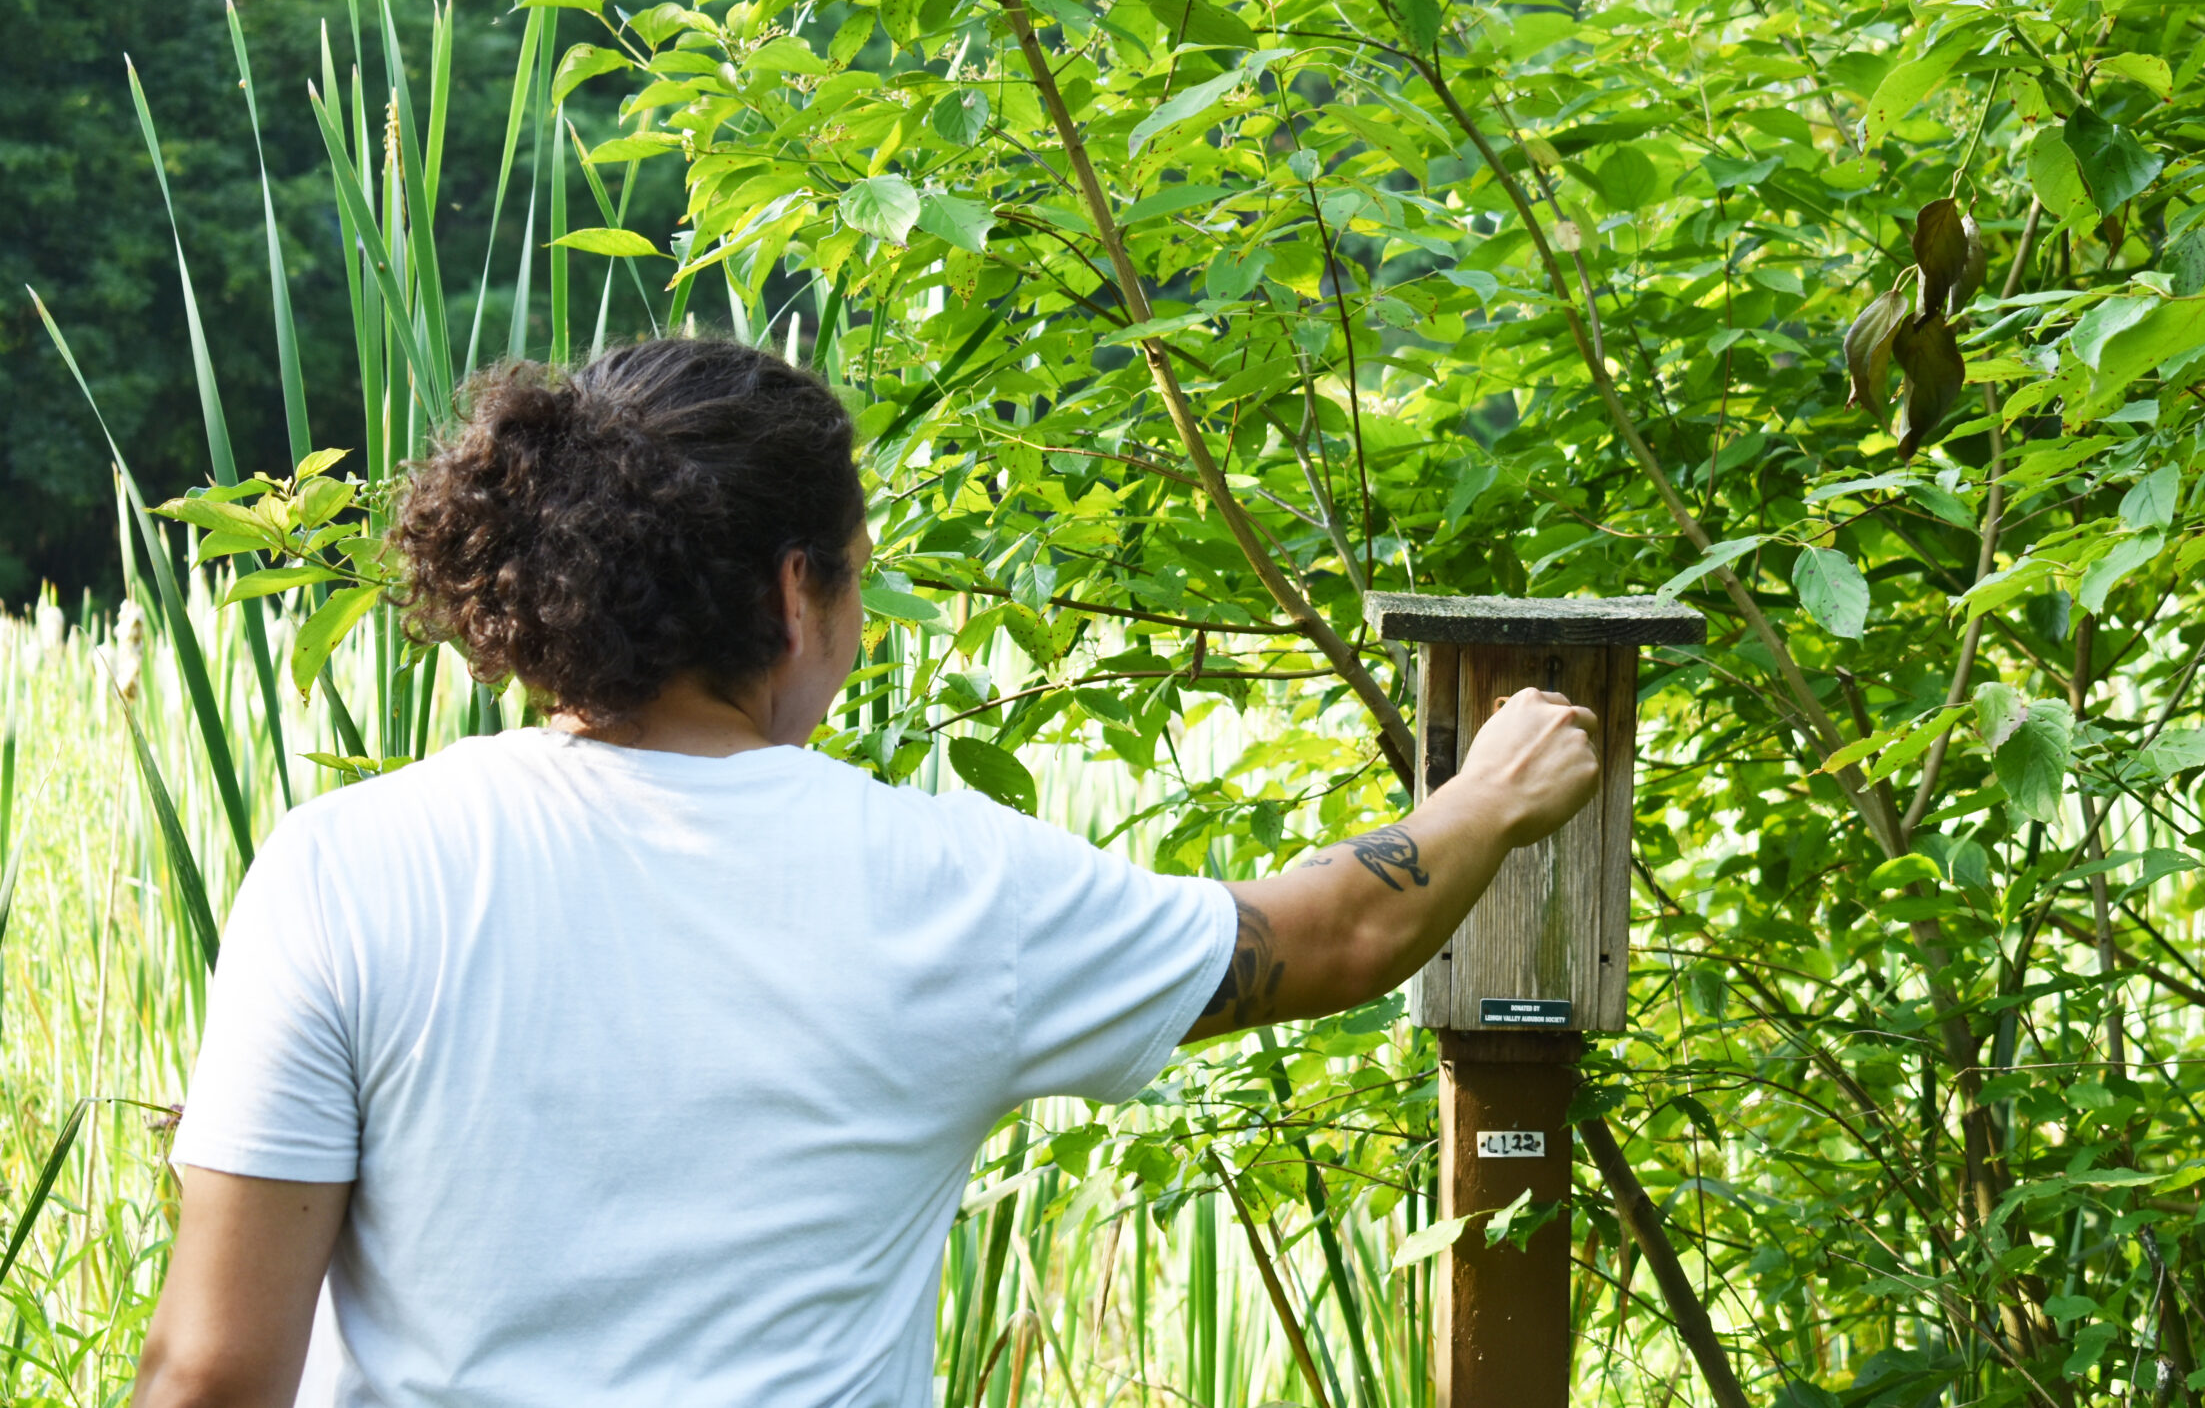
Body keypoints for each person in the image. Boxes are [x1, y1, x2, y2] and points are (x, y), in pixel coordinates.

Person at [131, 337, 1600, 1408]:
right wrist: (1491, 794)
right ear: (794, 591)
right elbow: (1332, 934)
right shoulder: (953, 888)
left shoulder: (346, 868)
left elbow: (210, 1373)